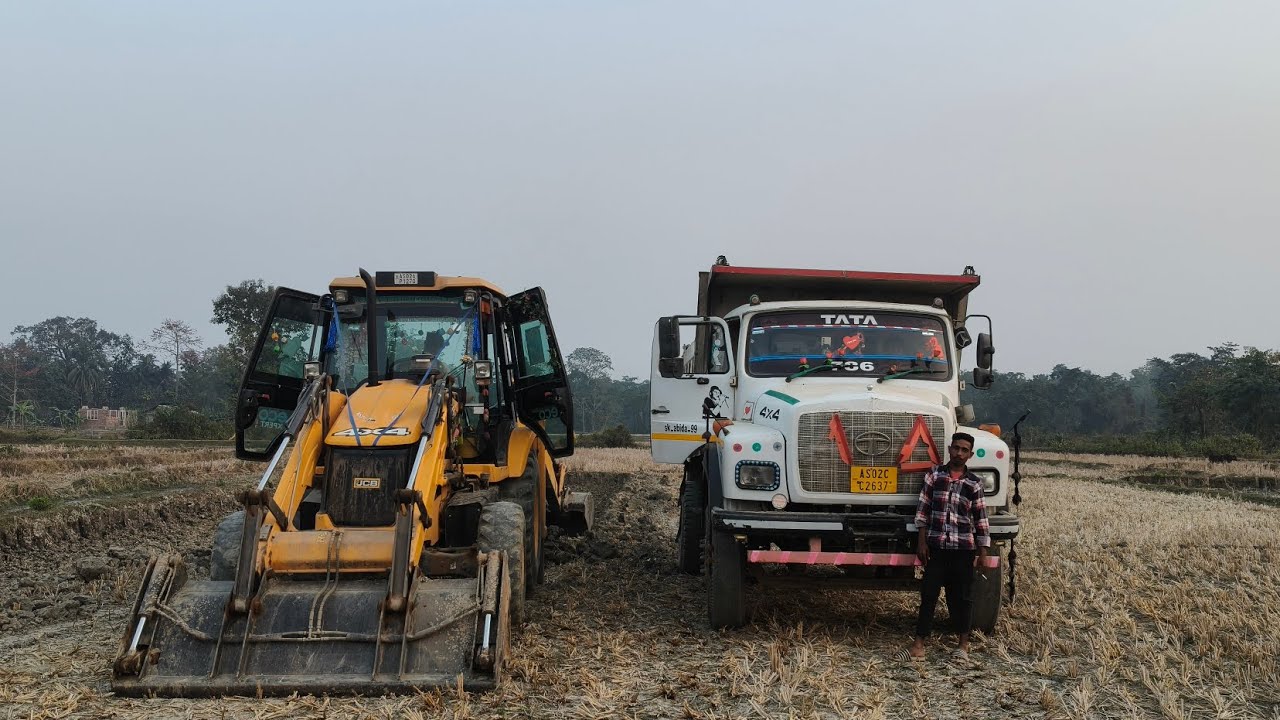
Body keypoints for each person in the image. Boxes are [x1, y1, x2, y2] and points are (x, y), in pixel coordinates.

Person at [908, 432, 990, 659]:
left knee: (962, 597)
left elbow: (980, 518)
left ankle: (963, 646)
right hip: (937, 549)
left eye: (964, 450)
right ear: (949, 449)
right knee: (928, 596)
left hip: (964, 550)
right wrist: (922, 542)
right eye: (956, 448)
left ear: (970, 454)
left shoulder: (974, 484)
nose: (959, 453)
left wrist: (982, 552)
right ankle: (918, 644)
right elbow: (923, 510)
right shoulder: (934, 476)